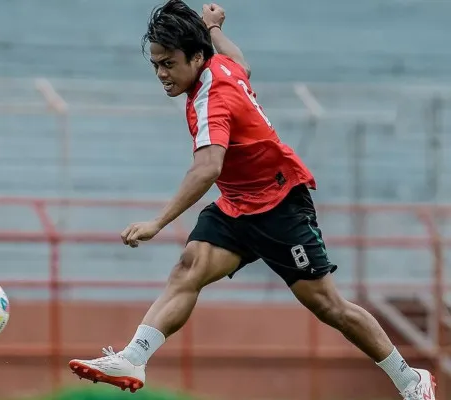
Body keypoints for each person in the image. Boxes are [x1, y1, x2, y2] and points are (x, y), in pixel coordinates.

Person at [68, 1, 436, 399]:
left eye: (169, 63)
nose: (161, 73)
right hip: (236, 204)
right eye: (156, 63)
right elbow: (239, 60)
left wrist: (157, 222)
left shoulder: (211, 98)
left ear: (195, 58)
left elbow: (208, 167)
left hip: (280, 205)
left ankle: (411, 380)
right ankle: (134, 356)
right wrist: (211, 27)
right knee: (188, 268)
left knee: (329, 307)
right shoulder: (219, 65)